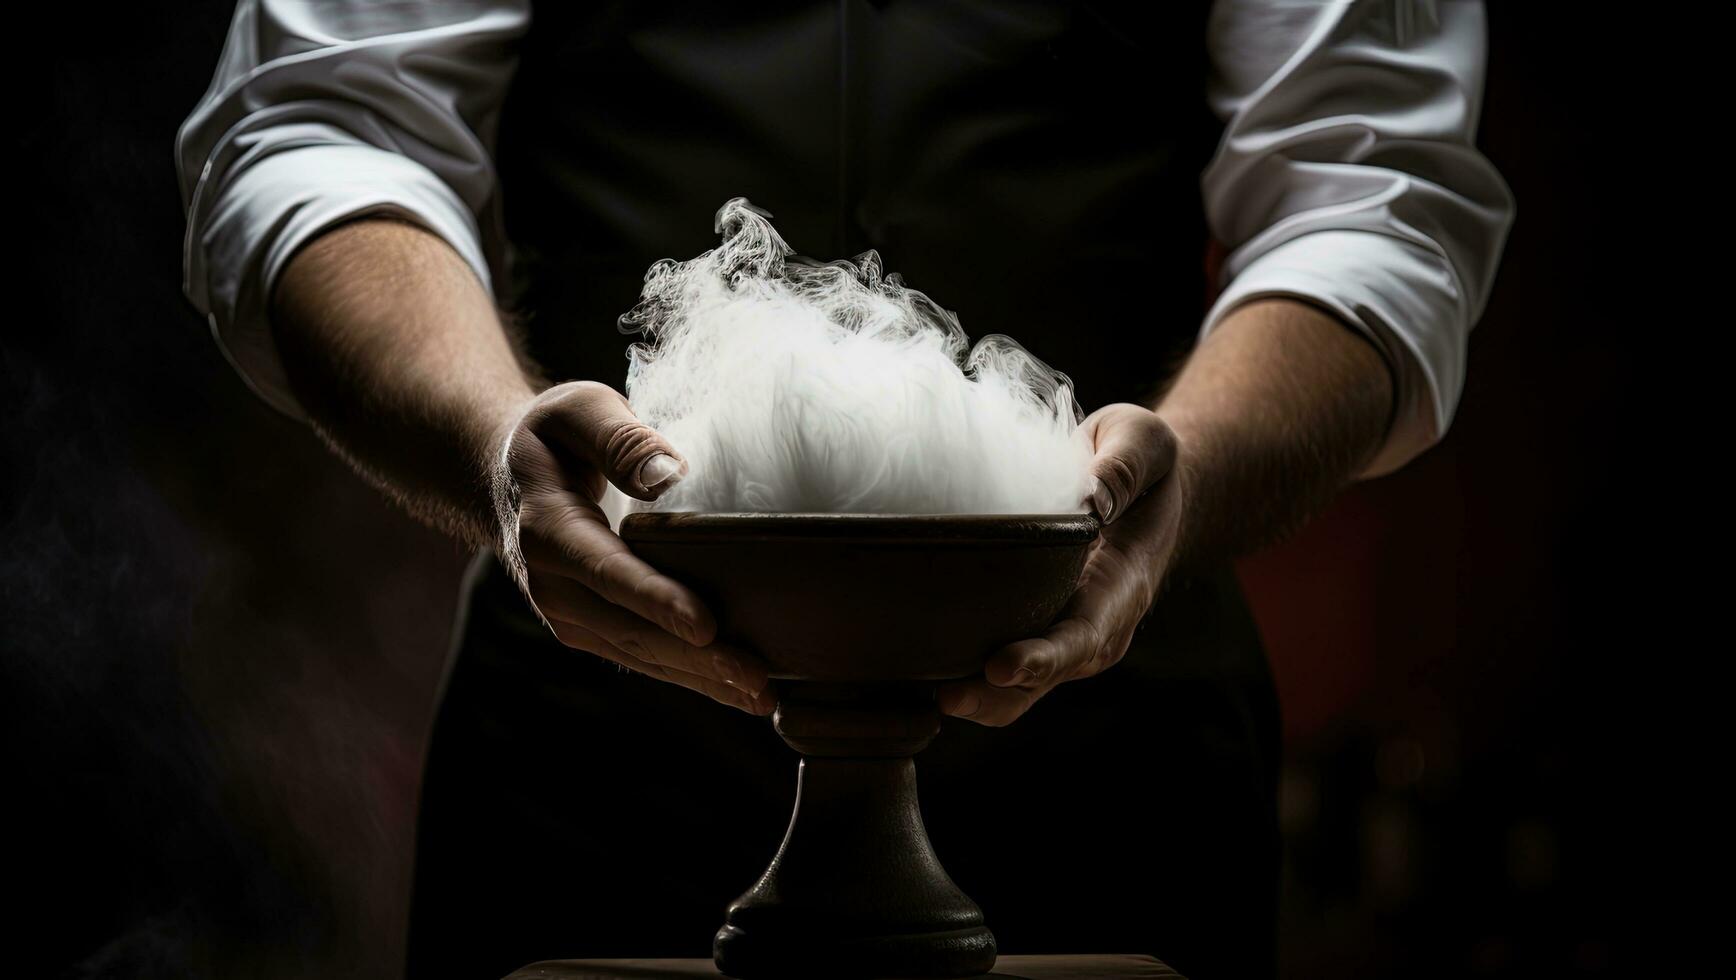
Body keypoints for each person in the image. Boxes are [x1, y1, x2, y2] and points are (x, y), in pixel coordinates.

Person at [177, 2, 1512, 977]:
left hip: (1107, 741)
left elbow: (1374, 190)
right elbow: (326, 125)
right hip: (596, 751)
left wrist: (1189, 477)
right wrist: (491, 438)